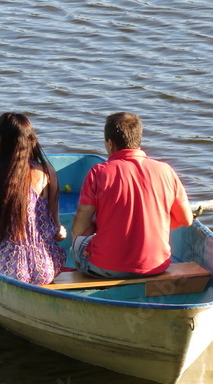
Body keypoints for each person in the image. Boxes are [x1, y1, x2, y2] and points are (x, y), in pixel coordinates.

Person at [70, 112, 193, 279]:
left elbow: (80, 229)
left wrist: (99, 226)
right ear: (138, 139)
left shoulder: (98, 173)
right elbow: (186, 219)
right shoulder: (166, 170)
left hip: (107, 269)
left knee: (76, 243)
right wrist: (148, 222)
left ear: (110, 143)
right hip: (156, 266)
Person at [0, 112, 67, 284]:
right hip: (46, 267)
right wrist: (60, 231)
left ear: (2, 140)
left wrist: (6, 227)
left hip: (10, 268)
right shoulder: (47, 171)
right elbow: (56, 228)